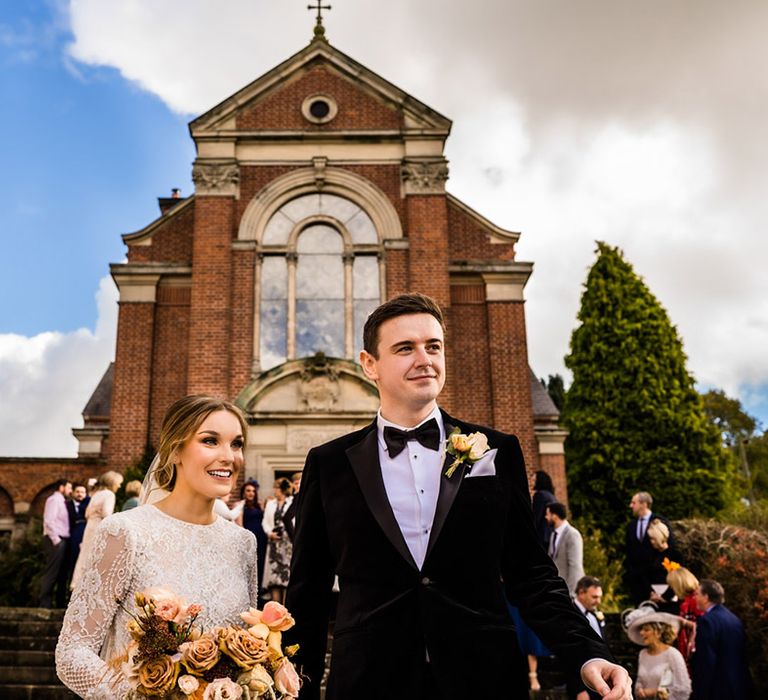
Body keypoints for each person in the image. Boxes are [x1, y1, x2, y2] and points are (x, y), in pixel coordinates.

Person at [286, 293, 630, 700]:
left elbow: (531, 574)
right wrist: (296, 690)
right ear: (369, 365)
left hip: (485, 676)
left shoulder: (497, 451)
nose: (424, 358)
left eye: (433, 346)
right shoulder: (329, 465)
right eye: (405, 348)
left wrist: (589, 654)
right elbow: (307, 594)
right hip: (369, 679)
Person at [56, 395, 259, 697]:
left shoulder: (243, 543)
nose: (229, 456)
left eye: (236, 443)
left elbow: (246, 647)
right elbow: (72, 652)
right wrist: (135, 695)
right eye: (210, 441)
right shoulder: (126, 531)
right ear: (175, 450)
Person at [690, 579, 753, 699]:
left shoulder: (706, 621)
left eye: (697, 594)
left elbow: (706, 660)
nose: (694, 598)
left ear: (706, 597)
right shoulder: (733, 618)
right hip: (738, 685)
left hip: (717, 688)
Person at [69, 470, 123, 591]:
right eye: (118, 483)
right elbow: (106, 514)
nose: (119, 486)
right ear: (112, 482)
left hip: (90, 527)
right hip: (99, 527)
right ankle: (90, 587)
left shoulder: (96, 494)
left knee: (85, 555)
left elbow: (87, 513)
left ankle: (77, 583)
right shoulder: (109, 494)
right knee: (96, 556)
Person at [625, 605, 690, 700]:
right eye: (641, 630)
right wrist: (639, 690)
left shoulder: (672, 654)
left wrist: (654, 692)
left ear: (658, 632)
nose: (641, 633)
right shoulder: (643, 654)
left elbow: (684, 688)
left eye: (646, 629)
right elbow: (640, 680)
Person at [625, 492, 674, 606]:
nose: (631, 506)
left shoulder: (661, 522)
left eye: (634, 503)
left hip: (658, 584)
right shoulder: (631, 526)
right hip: (638, 584)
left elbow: (669, 548)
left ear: (644, 504)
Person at [570, 576, 606, 700]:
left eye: (599, 597)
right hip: (580, 684)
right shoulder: (570, 613)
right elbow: (570, 655)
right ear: (581, 593)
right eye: (594, 597)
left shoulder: (594, 614)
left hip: (598, 678)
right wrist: (579, 689)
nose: (598, 601)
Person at [39, 479, 72, 608]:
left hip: (61, 539)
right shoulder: (54, 500)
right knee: (52, 571)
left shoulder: (62, 501)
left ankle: (54, 602)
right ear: (61, 487)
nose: (70, 491)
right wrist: (56, 540)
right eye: (69, 488)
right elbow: (49, 521)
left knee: (59, 572)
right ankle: (44, 603)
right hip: (55, 540)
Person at [262, 477, 293, 604]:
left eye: (276, 488)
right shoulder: (270, 504)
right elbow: (265, 521)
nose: (274, 490)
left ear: (281, 489)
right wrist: (270, 533)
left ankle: (286, 611)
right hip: (274, 545)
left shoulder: (292, 502)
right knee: (274, 579)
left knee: (286, 579)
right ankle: (276, 610)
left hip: (287, 545)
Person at [545, 501, 585, 598]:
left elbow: (575, 565)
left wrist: (571, 593)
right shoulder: (553, 535)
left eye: (547, 514)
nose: (545, 517)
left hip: (570, 591)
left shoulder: (572, 535)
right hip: (557, 590)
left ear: (555, 516)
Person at [665, 566, 702, 667]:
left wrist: (683, 622)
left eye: (672, 586)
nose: (672, 589)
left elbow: (702, 623)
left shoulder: (696, 600)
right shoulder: (686, 600)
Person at [236, 479, 268, 594]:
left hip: (262, 539)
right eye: (248, 491)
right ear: (244, 492)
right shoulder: (240, 506)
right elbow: (239, 525)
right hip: (249, 539)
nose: (251, 493)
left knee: (261, 566)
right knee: (249, 566)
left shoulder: (259, 506)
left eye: (253, 491)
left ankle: (260, 594)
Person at [64, 484, 90, 588]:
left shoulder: (88, 502)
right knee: (71, 563)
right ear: (73, 493)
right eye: (78, 492)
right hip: (71, 537)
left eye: (82, 492)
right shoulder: (67, 504)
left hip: (85, 535)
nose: (80, 494)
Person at [532, 469, 557, 550]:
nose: (532, 482)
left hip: (542, 536)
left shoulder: (539, 495)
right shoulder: (550, 495)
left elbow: (536, 517)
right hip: (550, 534)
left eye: (534, 479)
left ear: (539, 481)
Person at [282, 471, 302, 543]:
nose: (298, 486)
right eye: (296, 483)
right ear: (292, 484)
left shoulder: (298, 497)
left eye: (300, 483)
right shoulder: (297, 497)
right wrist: (294, 539)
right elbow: (287, 518)